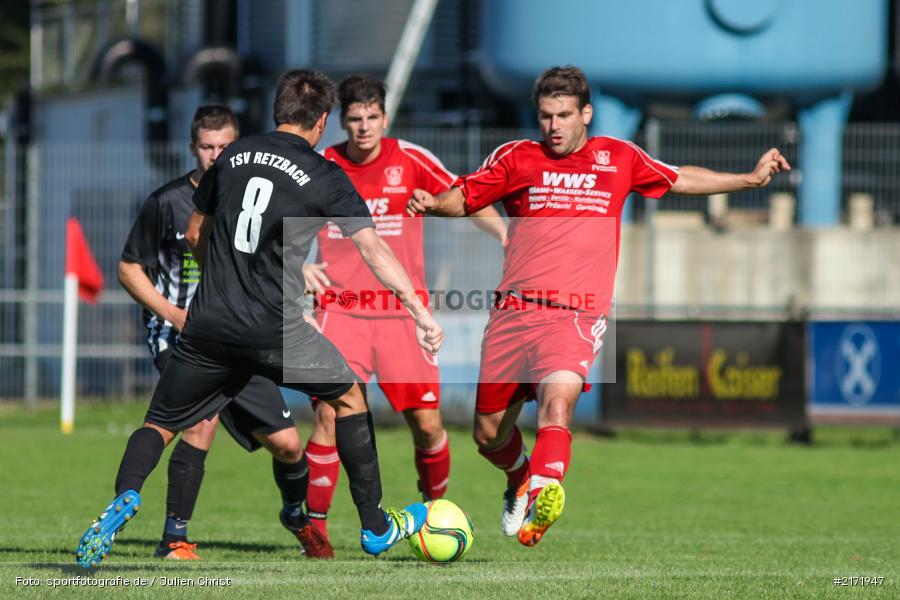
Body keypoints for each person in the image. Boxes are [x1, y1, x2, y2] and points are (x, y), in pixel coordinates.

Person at [408, 65, 790, 547]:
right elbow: (465, 196)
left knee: (557, 405)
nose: (554, 126)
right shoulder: (516, 157)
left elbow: (679, 178)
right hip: (513, 313)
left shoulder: (618, 157)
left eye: (564, 115)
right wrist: (433, 203)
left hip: (576, 313)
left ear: (586, 113)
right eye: (546, 116)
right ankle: (521, 478)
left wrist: (749, 180)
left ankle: (543, 495)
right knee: (487, 435)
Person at [75, 69, 443, 569]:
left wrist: (219, 280)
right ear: (322, 121)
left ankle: (124, 495)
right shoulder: (324, 173)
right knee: (349, 398)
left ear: (277, 111)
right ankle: (376, 526)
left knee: (159, 424)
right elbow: (373, 249)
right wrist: (419, 311)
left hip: (209, 324)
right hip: (275, 330)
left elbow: (195, 231)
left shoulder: (233, 156)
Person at [300, 75, 506, 547]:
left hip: (402, 316)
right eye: (355, 118)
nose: (364, 127)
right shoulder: (323, 165)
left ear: (385, 118)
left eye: (372, 117)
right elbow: (282, 220)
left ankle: (434, 514)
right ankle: (315, 530)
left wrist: (505, 236)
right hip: (341, 311)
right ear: (341, 122)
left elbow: (465, 195)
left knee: (428, 425)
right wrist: (299, 267)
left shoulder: (411, 159)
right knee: (330, 415)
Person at [118, 104, 330, 560]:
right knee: (200, 422)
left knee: (289, 446)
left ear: (239, 147)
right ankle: (173, 539)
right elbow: (128, 269)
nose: (216, 155)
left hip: (241, 332)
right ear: (192, 148)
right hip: (180, 335)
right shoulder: (167, 203)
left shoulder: (252, 195)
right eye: (207, 147)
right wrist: (175, 315)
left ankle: (296, 515)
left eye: (224, 146)